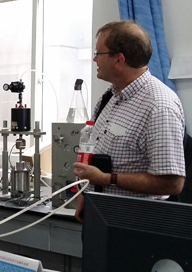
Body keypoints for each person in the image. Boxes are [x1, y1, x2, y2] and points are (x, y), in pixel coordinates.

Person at [73, 21, 186, 222]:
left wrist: (106, 179)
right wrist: (85, 192)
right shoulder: (110, 96)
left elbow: (172, 183)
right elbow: (93, 145)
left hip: (136, 223)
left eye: (98, 53)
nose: (94, 59)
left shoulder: (159, 107)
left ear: (119, 59)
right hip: (100, 213)